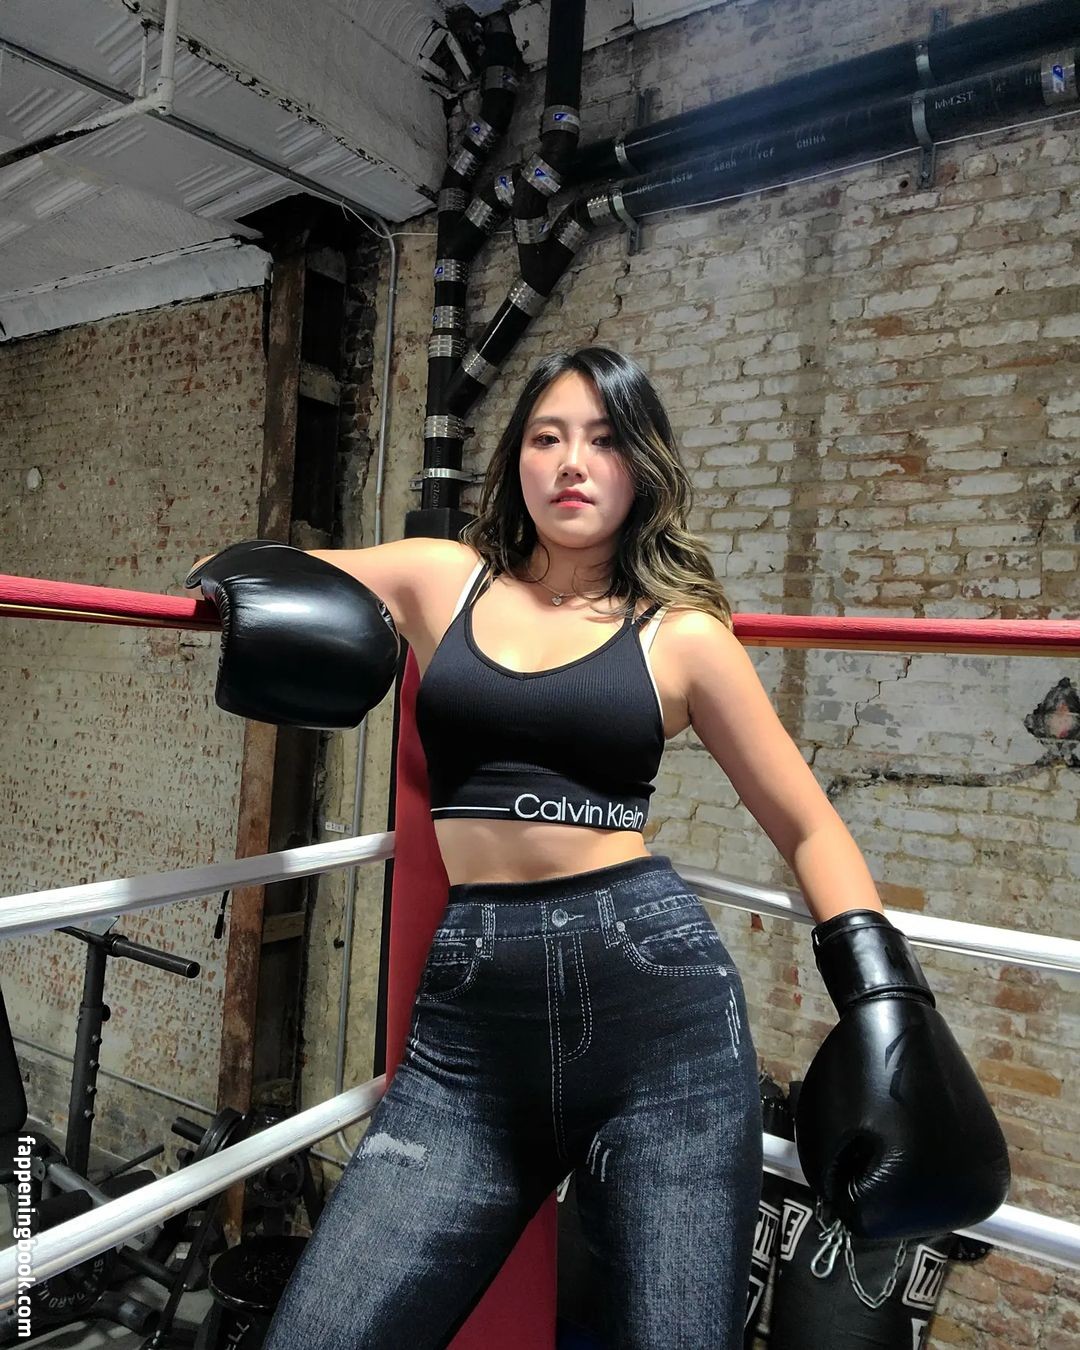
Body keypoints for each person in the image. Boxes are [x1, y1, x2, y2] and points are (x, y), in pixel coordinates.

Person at [188, 347, 1008, 1349]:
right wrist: (241, 596)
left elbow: (807, 823)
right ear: (517, 461)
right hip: (472, 1029)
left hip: (657, 1010)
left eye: (604, 440)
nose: (573, 462)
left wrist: (884, 999)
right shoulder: (443, 579)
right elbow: (259, 573)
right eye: (547, 437)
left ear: (640, 467)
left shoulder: (683, 636)